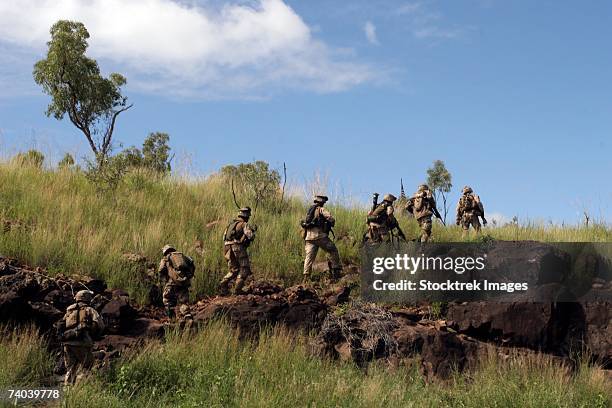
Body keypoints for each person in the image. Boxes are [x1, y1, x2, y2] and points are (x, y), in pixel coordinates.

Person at [59, 290, 104, 386]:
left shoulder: (69, 310)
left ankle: (67, 390)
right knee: (87, 366)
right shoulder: (90, 310)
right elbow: (100, 325)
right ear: (87, 298)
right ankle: (80, 389)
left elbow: (62, 325)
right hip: (82, 342)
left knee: (70, 368)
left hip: (67, 342)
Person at [301, 194, 342, 282]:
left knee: (309, 258)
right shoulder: (321, 209)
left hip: (309, 238)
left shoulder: (309, 211)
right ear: (322, 202)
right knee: (333, 250)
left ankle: (306, 277)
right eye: (324, 202)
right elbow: (330, 218)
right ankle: (336, 272)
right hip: (320, 236)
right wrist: (331, 222)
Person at [219, 207, 257, 295]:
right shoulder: (244, 224)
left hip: (227, 247)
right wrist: (252, 232)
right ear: (246, 216)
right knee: (244, 269)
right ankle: (238, 290)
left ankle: (223, 285)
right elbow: (250, 236)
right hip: (238, 247)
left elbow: (224, 238)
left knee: (234, 269)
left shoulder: (230, 225)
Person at [158, 244, 195, 318]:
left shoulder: (166, 258)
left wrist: (164, 277)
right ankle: (187, 315)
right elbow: (192, 265)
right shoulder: (183, 256)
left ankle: (171, 318)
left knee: (167, 298)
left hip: (172, 282)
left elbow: (161, 270)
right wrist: (187, 277)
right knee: (183, 301)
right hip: (184, 282)